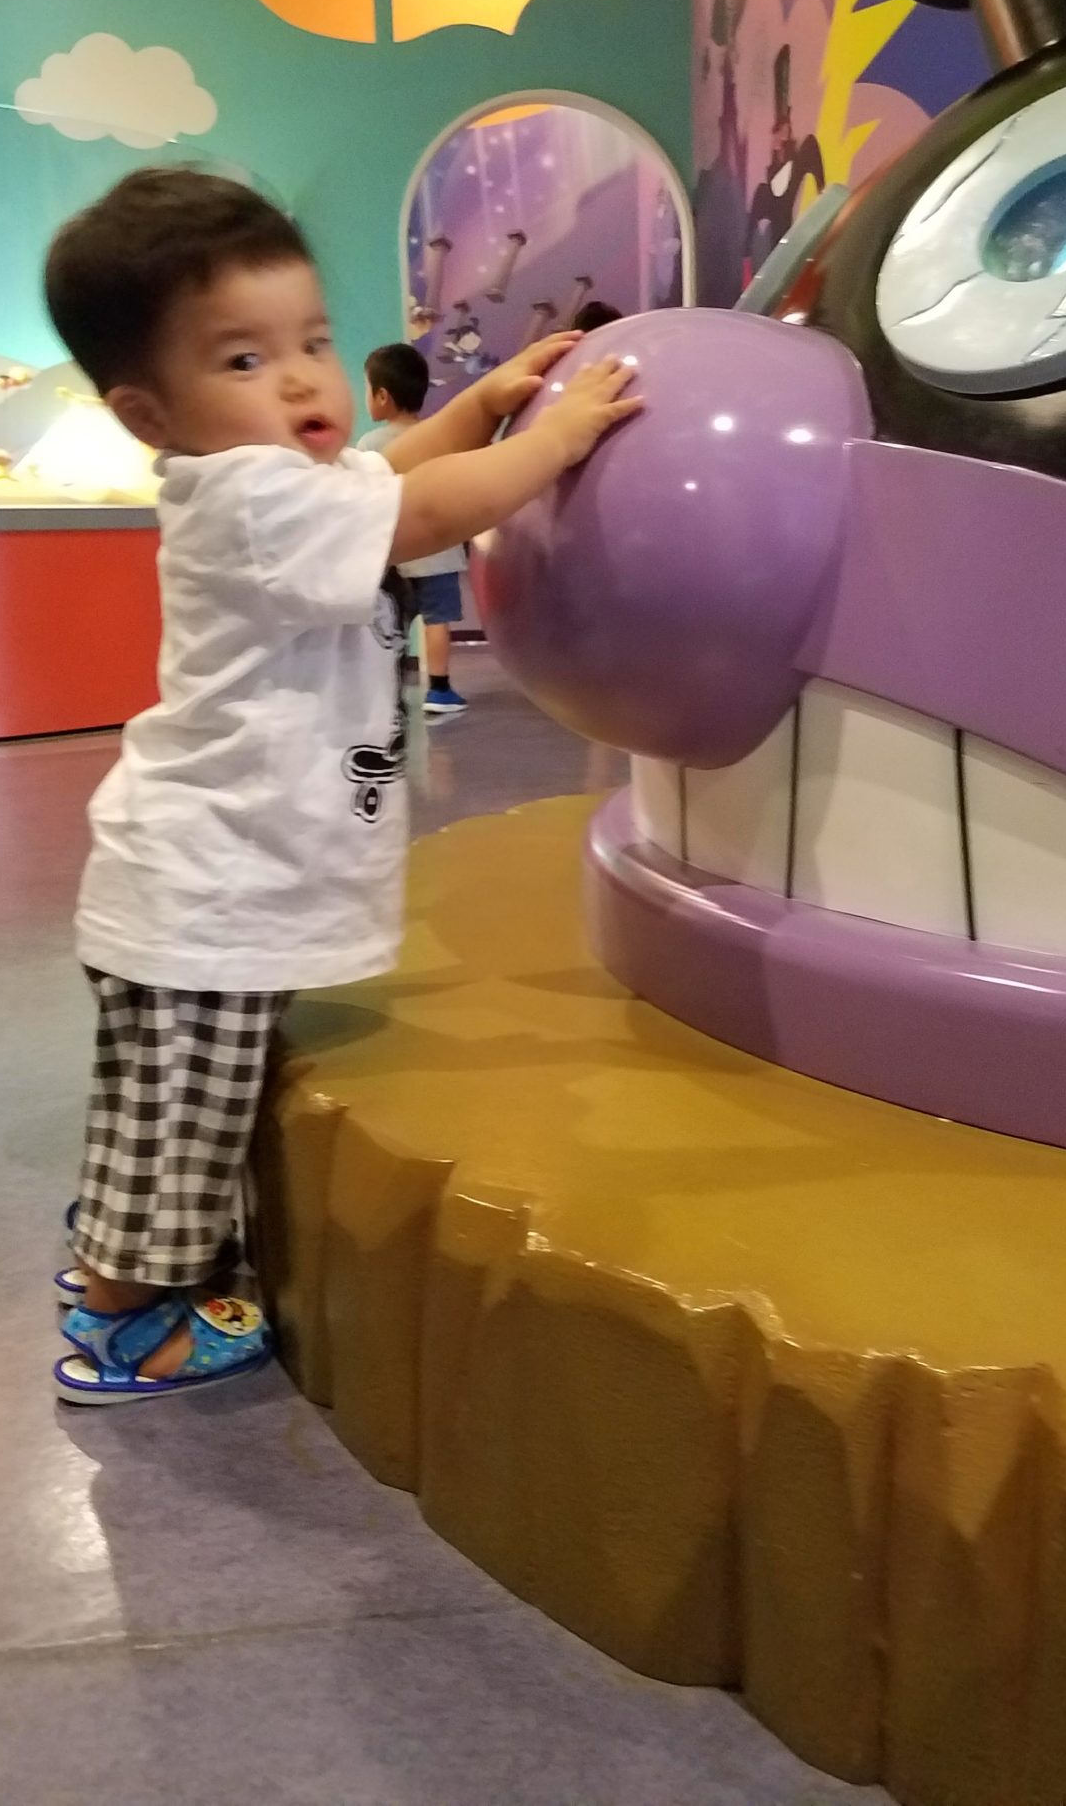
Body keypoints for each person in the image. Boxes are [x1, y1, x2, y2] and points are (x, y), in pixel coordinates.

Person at [41, 168, 639, 1403]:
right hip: (204, 893)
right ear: (149, 414)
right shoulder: (249, 500)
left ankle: (125, 1249)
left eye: (312, 340)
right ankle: (116, 1316)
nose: (303, 379)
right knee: (179, 1127)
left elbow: (386, 472)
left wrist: (481, 403)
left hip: (215, 878)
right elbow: (416, 512)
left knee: (169, 1114)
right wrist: (554, 443)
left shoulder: (283, 483)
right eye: (244, 359)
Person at [359, 342, 479, 718]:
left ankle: (389, 692)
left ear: (382, 396)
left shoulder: (370, 445)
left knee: (390, 626)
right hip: (439, 551)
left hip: (392, 553)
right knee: (437, 621)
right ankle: (439, 690)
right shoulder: (440, 437)